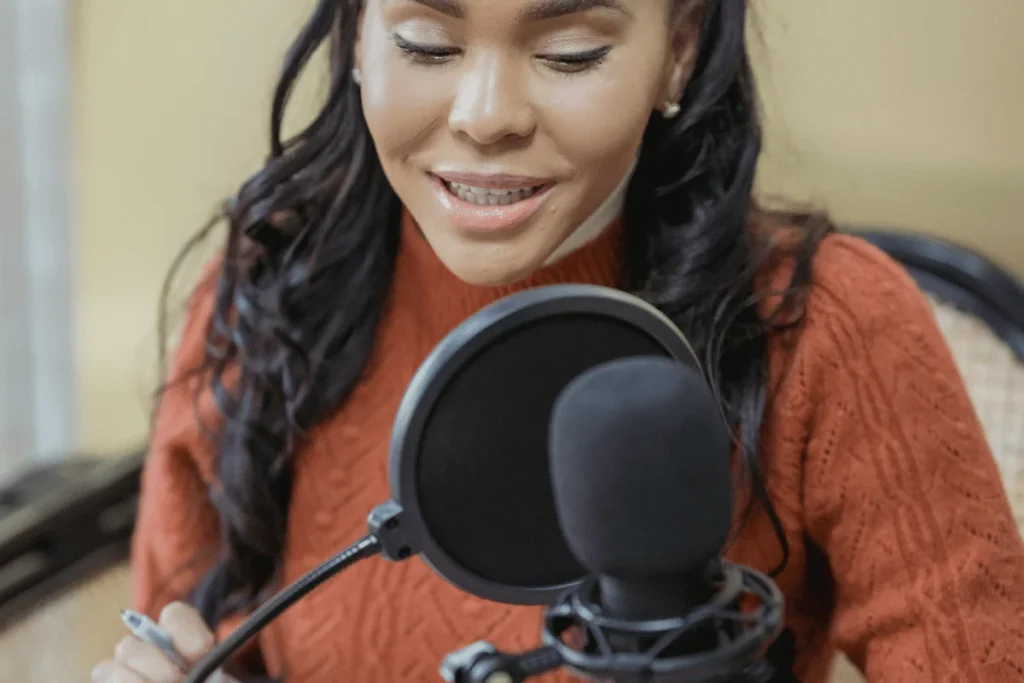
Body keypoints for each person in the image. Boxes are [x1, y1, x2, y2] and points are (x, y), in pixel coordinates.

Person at [92, 1, 1024, 682]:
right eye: (427, 43)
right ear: (358, 41)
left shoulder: (828, 326)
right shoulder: (264, 299)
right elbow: (187, 626)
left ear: (680, 48)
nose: (486, 114)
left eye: (571, 53)